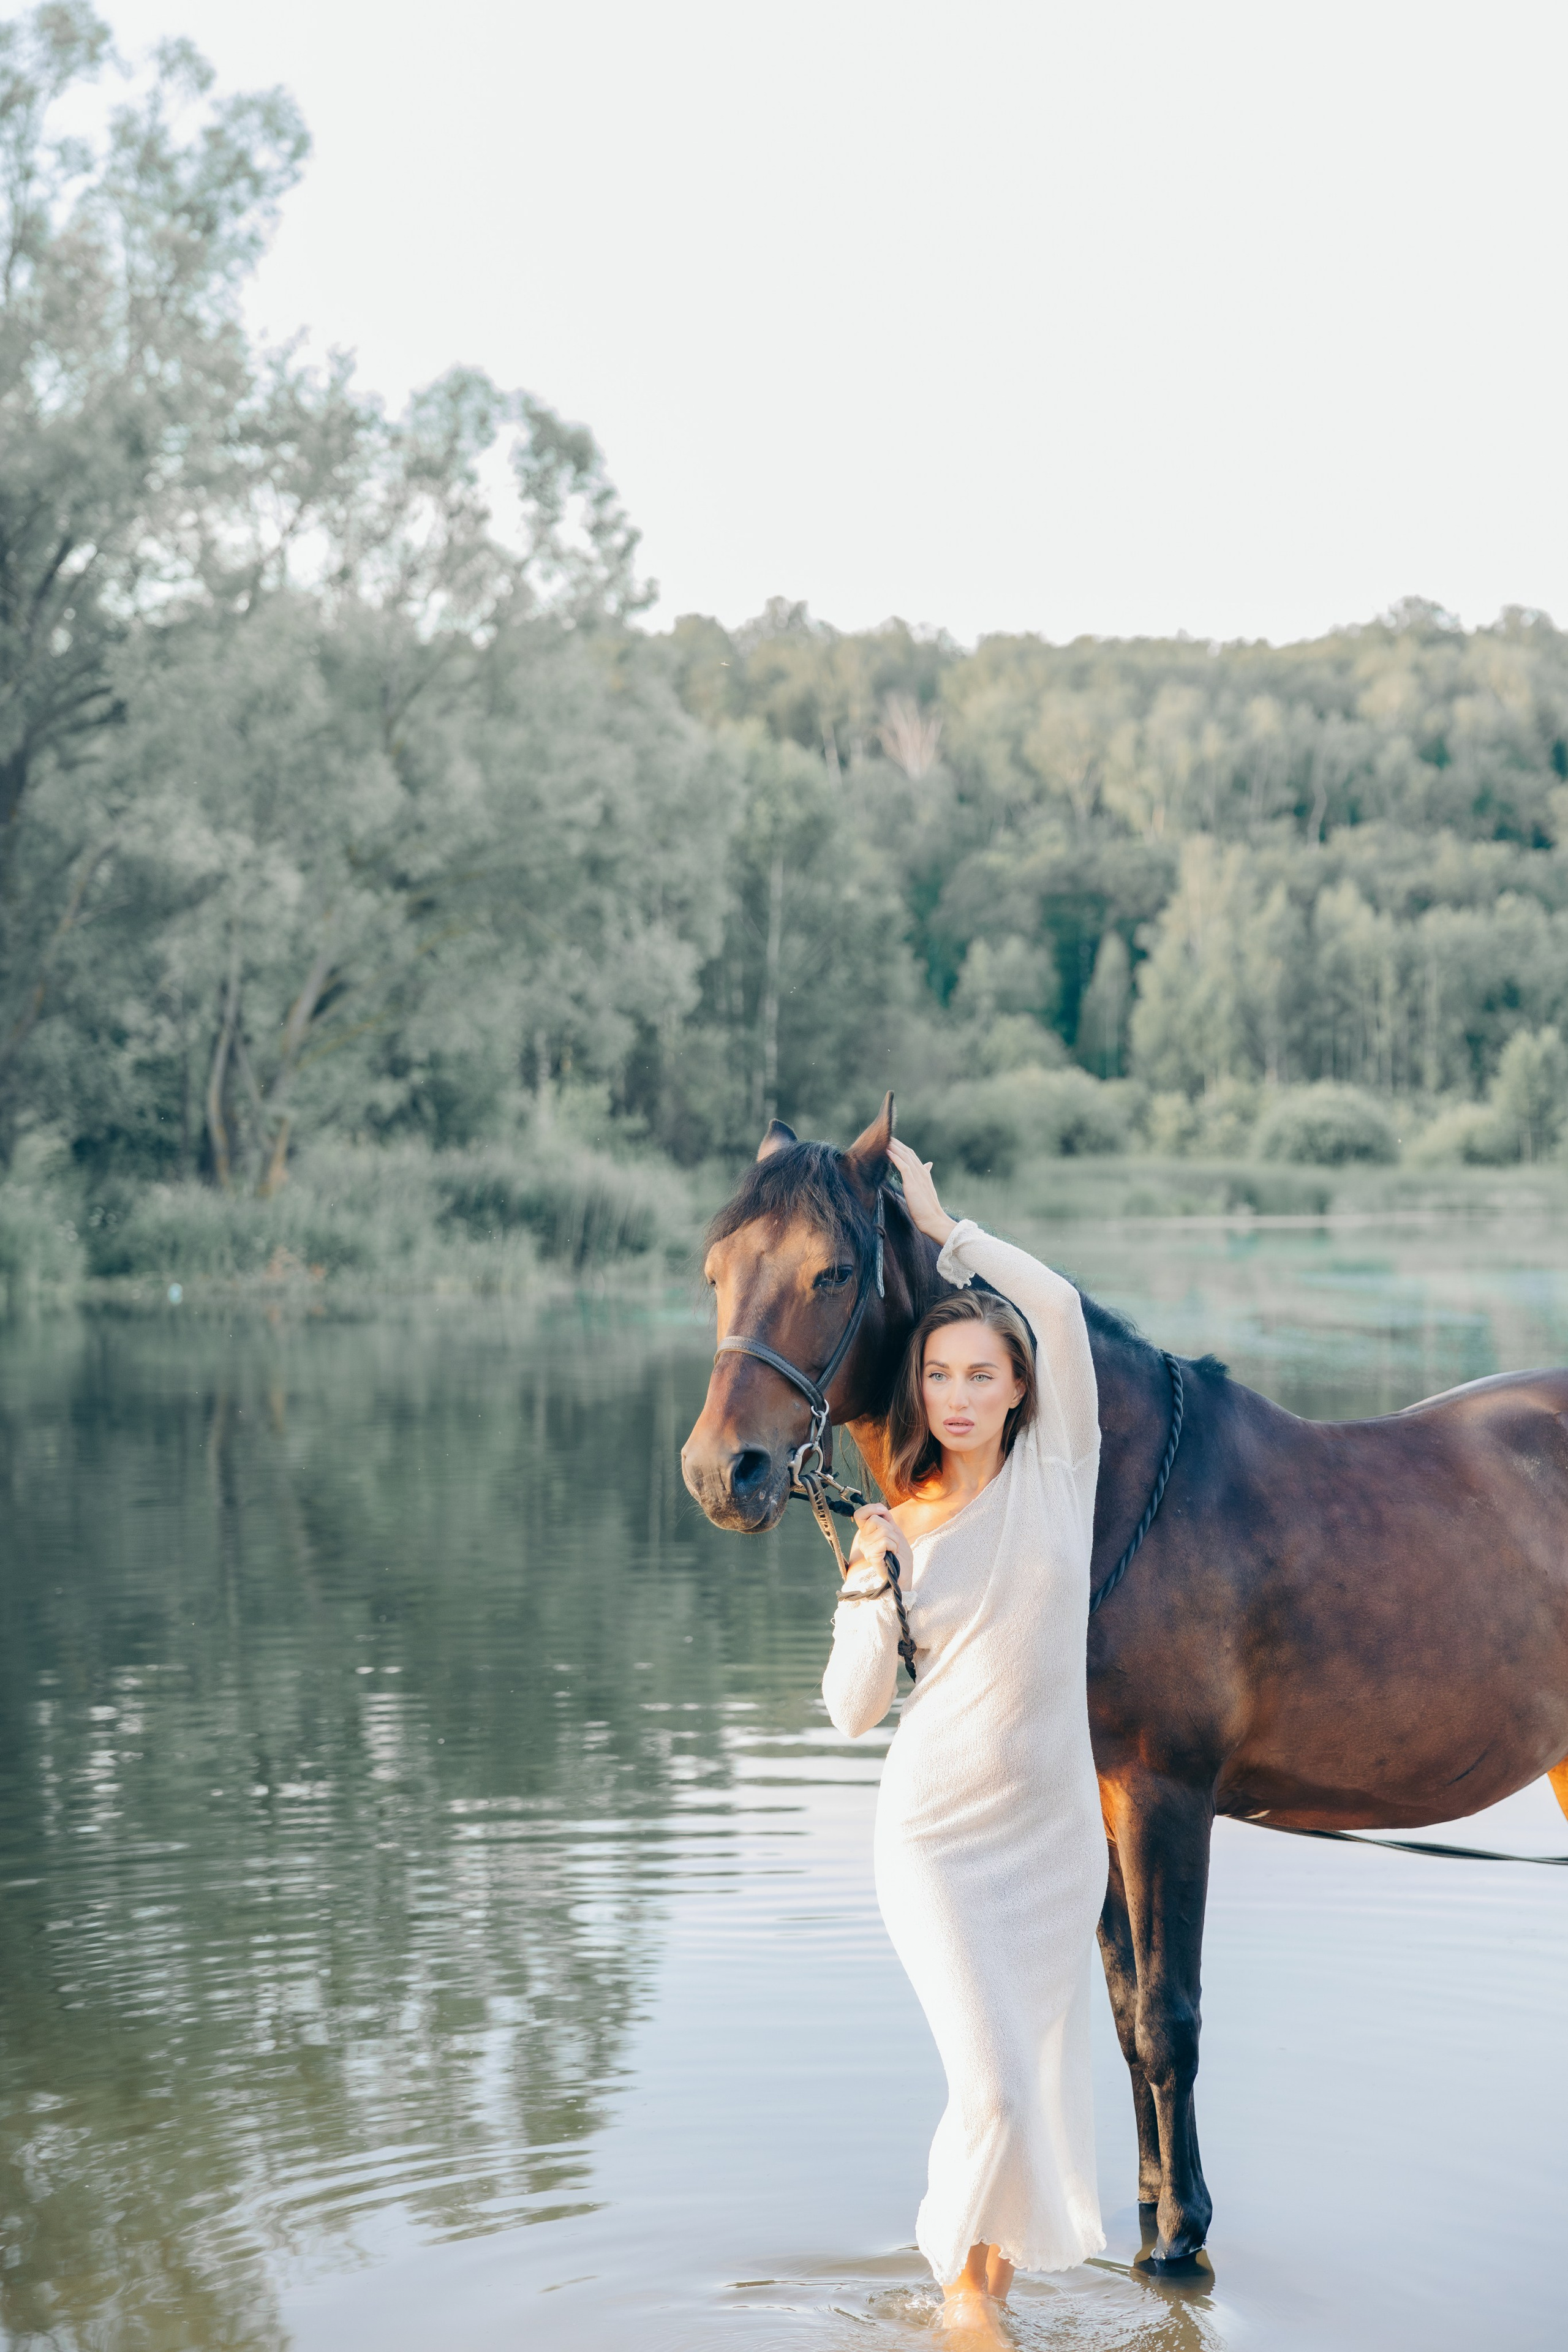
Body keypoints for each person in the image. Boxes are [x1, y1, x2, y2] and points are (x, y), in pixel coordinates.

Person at [823, 1137, 1107, 2343]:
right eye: (937, 1372)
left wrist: (945, 1230)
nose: (953, 1393)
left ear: (1016, 1390)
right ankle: (954, 2305)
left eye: (978, 1374)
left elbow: (1056, 1304)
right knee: (990, 2086)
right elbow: (848, 1713)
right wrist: (862, 1586)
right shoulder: (898, 1526)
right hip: (934, 1838)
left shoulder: (1061, 1469)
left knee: (1023, 2097)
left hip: (1051, 1845)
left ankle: (975, 2298)